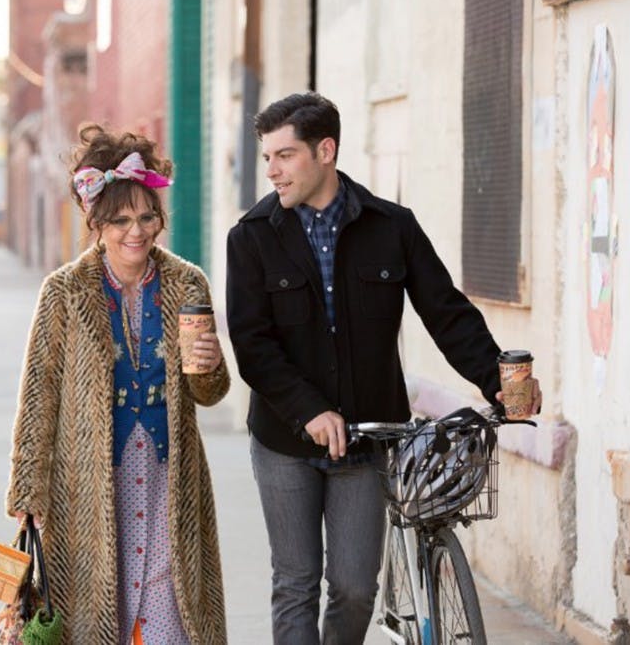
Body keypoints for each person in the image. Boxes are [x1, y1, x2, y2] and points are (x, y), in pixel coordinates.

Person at [225, 92, 542, 644]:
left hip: (368, 438)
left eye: (285, 155)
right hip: (284, 443)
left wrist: (498, 382)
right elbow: (253, 345)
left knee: (353, 587)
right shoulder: (251, 237)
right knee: (297, 582)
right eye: (267, 157)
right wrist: (310, 409)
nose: (271, 170)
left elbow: (446, 314)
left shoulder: (392, 227)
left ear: (326, 151)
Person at [6, 124, 230, 645]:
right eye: (122, 220)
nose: (138, 231)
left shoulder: (187, 282)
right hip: (87, 486)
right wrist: (27, 488)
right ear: (97, 223)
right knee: (97, 618)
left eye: (147, 216)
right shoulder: (63, 292)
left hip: (169, 480)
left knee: (172, 620)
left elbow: (209, 393)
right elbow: (39, 395)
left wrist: (213, 363)